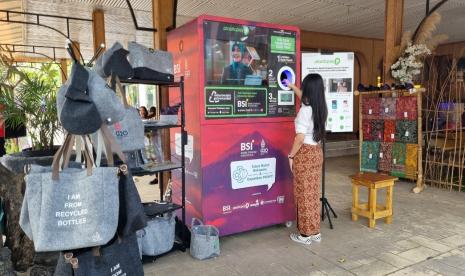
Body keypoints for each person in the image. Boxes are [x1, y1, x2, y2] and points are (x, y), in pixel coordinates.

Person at [285, 74, 328, 245]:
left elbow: (300, 138)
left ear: (308, 89)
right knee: (312, 193)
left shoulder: (304, 111)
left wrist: (291, 155)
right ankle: (315, 231)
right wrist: (292, 86)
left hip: (304, 154)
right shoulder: (321, 107)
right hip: (317, 152)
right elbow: (304, 98)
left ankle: (304, 235)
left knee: (303, 194)